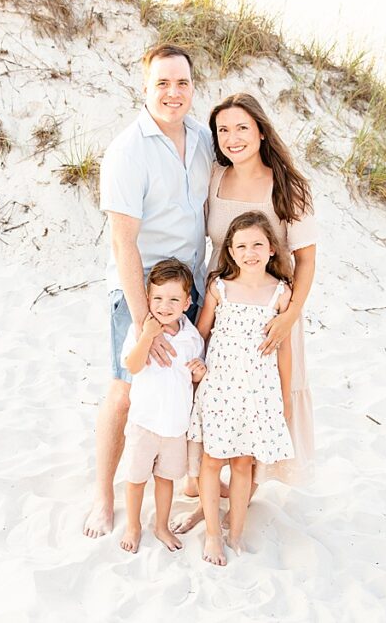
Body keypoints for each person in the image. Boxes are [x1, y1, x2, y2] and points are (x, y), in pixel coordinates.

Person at [171, 92, 317, 534]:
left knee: (259, 412)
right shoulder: (215, 177)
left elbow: (307, 261)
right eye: (223, 130)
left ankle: (227, 510)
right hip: (221, 304)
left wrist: (288, 318)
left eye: (242, 128)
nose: (233, 138)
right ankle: (208, 500)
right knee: (216, 405)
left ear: (260, 130)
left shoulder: (288, 185)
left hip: (271, 315)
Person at [84, 44, 213, 538]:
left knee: (192, 382)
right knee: (124, 393)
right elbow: (123, 241)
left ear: (193, 89)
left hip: (194, 288)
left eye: (181, 83)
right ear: (145, 88)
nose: (172, 93)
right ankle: (103, 494)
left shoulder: (203, 140)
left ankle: (187, 479)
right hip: (139, 290)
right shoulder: (128, 149)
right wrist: (146, 323)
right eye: (162, 83)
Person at [188, 211, 297, 565]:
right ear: (231, 252)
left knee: (242, 463)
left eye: (257, 245)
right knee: (211, 460)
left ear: (270, 250)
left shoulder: (281, 293)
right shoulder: (220, 287)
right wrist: (193, 370)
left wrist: (283, 398)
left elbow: (285, 351)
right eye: (241, 246)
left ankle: (234, 531)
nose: (249, 252)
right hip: (220, 388)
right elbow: (200, 334)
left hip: (257, 392)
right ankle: (212, 535)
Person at [117, 259, 206, 553]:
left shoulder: (192, 337)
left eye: (173, 299)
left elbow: (192, 379)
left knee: (166, 478)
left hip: (175, 426)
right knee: (136, 478)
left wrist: (198, 372)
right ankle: (133, 525)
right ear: (146, 297)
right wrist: (147, 336)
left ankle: (161, 526)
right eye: (157, 298)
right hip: (144, 422)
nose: (164, 306)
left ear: (187, 301)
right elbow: (132, 365)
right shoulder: (138, 329)